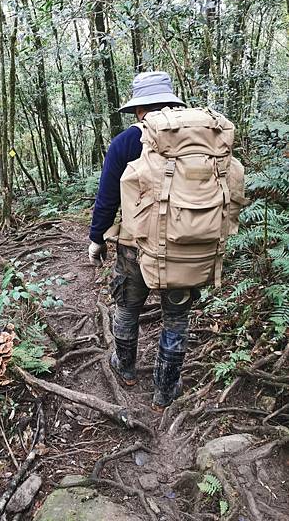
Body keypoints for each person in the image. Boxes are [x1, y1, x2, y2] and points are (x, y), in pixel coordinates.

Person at [88, 71, 200, 412]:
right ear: (170, 102)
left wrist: (97, 239)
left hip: (135, 247)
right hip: (187, 248)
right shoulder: (198, 139)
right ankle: (165, 391)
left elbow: (107, 198)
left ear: (139, 110)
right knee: (176, 320)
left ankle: (125, 368)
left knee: (127, 308)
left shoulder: (125, 142)